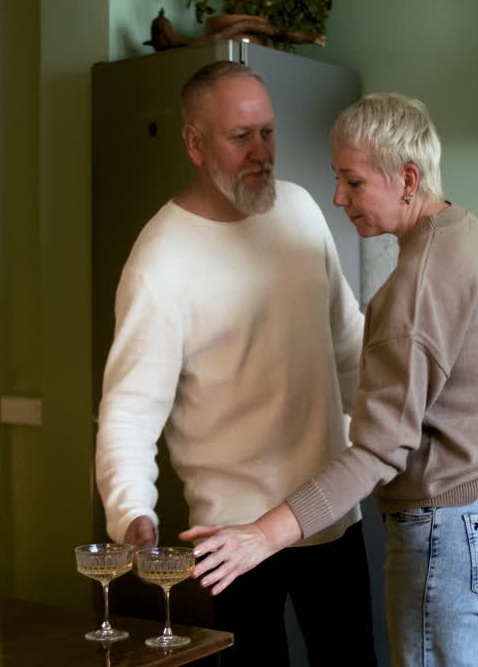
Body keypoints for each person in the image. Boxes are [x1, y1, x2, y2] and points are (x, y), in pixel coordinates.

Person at [184, 92, 478, 667]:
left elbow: (378, 452)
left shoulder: (414, 290)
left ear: (406, 178)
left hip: (448, 534)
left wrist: (264, 536)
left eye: (352, 182)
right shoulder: (472, 237)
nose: (337, 198)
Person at [94, 60, 377, 667]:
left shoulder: (302, 212)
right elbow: (129, 411)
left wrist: (389, 441)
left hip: (329, 516)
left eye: (268, 133)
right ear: (195, 143)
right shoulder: (160, 261)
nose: (261, 152)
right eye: (240, 136)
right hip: (230, 541)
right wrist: (133, 516)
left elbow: (348, 345)